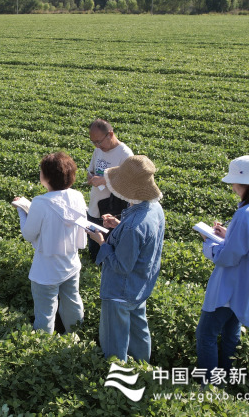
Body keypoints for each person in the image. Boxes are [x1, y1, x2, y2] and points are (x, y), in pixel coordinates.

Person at [195, 155, 249, 385]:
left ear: (243, 184)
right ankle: (226, 380)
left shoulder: (245, 214)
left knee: (206, 335)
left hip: (229, 287)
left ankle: (209, 386)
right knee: (231, 335)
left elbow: (228, 257)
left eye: (233, 182)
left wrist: (209, 242)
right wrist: (228, 234)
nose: (232, 186)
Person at [86, 155, 164, 363]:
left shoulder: (133, 226)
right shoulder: (154, 209)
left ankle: (116, 382)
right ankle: (142, 370)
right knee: (139, 333)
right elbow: (140, 241)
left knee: (114, 341)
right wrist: (118, 225)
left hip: (120, 291)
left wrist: (101, 242)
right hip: (140, 286)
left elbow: (121, 265)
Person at [13, 152, 87, 334]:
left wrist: (21, 210)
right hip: (70, 263)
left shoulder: (40, 202)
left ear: (46, 177)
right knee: (72, 301)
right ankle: (75, 335)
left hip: (46, 269)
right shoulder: (77, 196)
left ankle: (45, 349)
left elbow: (29, 234)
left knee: (45, 310)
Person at [86, 118, 133, 261]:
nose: (97, 146)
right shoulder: (98, 151)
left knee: (108, 249)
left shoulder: (125, 155)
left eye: (99, 141)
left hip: (111, 211)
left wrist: (105, 180)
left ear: (110, 134)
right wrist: (91, 177)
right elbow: (91, 170)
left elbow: (129, 185)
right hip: (94, 207)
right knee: (93, 248)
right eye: (93, 142)